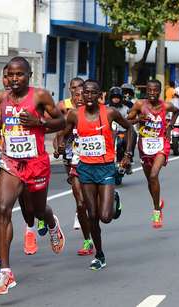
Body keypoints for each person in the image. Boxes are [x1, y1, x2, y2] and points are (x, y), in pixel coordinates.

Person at [0, 57, 66, 295]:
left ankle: (51, 222)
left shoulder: (40, 96)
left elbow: (60, 121)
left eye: (19, 74)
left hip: (36, 162)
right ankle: (6, 272)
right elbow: (3, 119)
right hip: (10, 162)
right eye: (10, 74)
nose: (14, 79)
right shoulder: (3, 97)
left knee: (36, 211)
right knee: (2, 209)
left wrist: (39, 122)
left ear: (29, 75)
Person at [59, 79, 133, 271]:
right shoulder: (74, 114)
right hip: (86, 168)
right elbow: (65, 133)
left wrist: (127, 155)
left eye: (93, 93)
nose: (89, 97)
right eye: (86, 93)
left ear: (100, 95)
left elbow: (130, 129)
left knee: (106, 216)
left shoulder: (109, 113)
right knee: (92, 215)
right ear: (81, 95)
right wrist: (60, 145)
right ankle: (99, 254)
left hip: (106, 167)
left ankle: (113, 199)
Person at [127, 79, 179, 228]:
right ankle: (158, 202)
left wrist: (169, 127)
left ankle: (156, 211)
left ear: (160, 91)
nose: (151, 93)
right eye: (149, 90)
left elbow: (177, 112)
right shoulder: (139, 105)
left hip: (161, 144)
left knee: (153, 175)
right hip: (144, 146)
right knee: (150, 181)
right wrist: (138, 119)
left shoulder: (166, 106)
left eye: (155, 90)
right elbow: (126, 121)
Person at [54, 79, 94, 256]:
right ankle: (87, 240)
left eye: (81, 94)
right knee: (80, 201)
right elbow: (60, 134)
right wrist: (59, 147)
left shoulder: (97, 112)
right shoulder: (69, 113)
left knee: (98, 207)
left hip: (96, 163)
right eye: (75, 94)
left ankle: (110, 198)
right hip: (75, 160)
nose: (78, 98)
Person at [107, 86, 137, 173]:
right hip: (108, 132)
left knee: (132, 134)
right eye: (114, 97)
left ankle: (128, 158)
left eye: (118, 97)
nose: (116, 99)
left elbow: (129, 121)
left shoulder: (125, 108)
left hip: (122, 132)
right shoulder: (105, 108)